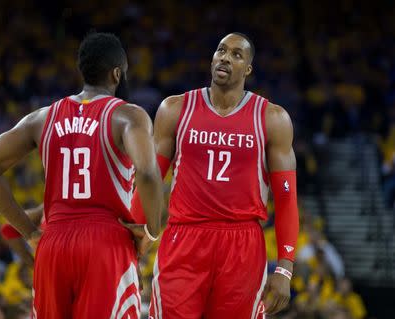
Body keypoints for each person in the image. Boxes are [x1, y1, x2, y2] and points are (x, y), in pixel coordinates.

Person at [0, 32, 163, 319]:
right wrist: (151, 232)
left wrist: (31, 233)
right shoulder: (128, 115)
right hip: (105, 242)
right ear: (117, 74)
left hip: (54, 244)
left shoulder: (42, 117)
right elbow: (148, 173)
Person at [125, 32, 299, 318]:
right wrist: (128, 247)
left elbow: (286, 199)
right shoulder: (175, 109)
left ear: (248, 69)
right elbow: (151, 179)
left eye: (236, 54)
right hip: (184, 237)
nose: (225, 58)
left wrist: (285, 267)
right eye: (221, 51)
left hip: (242, 244)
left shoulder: (272, 119)